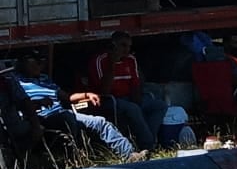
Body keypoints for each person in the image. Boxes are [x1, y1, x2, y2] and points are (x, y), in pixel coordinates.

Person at [14, 48, 147, 162]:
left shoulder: (44, 79)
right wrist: (39, 103)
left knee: (100, 122)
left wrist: (86, 95)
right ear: (23, 63)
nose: (39, 65)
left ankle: (130, 154)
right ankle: (74, 157)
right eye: (34, 62)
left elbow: (67, 97)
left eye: (41, 62)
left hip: (61, 112)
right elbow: (18, 103)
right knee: (67, 118)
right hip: (41, 117)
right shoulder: (16, 81)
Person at [88, 31, 168, 150]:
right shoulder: (100, 60)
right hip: (110, 100)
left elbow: (135, 85)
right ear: (113, 45)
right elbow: (104, 91)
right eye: (123, 45)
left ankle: (146, 141)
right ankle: (148, 146)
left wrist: (137, 101)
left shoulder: (130, 60)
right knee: (133, 108)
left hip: (129, 98)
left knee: (159, 105)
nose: (127, 49)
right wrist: (112, 64)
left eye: (129, 46)